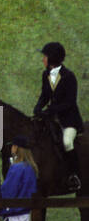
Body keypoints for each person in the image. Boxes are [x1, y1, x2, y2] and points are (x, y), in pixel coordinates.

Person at [34, 41, 82, 191]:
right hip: (52, 118)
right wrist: (38, 107)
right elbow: (45, 95)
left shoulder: (69, 77)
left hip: (69, 120)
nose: (43, 59)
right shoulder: (46, 74)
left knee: (67, 142)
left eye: (45, 57)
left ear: (52, 58)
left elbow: (69, 102)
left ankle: (74, 175)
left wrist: (51, 110)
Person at [0, 137, 37, 221]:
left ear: (16, 148)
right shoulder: (30, 167)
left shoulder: (16, 168)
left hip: (13, 212)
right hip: (25, 213)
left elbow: (8, 190)